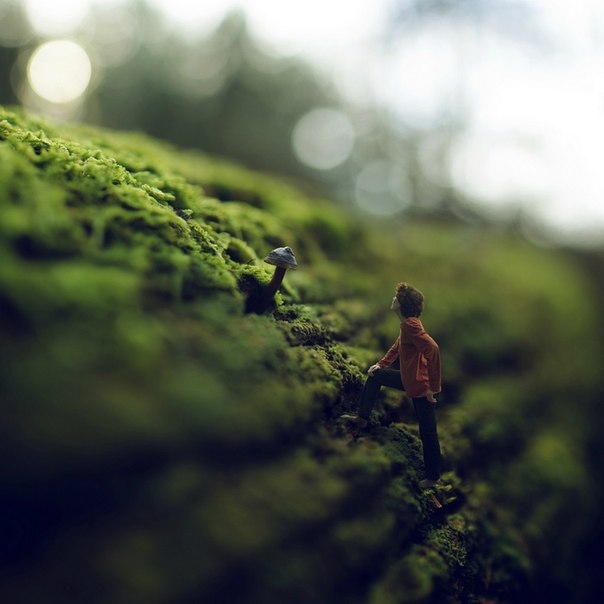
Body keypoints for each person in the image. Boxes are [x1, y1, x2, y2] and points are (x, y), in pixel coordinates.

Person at [342, 282, 442, 489]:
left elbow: (433, 349)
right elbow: (397, 348)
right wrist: (381, 364)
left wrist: (434, 387)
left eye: (396, 298)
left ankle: (433, 477)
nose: (393, 300)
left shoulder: (412, 326)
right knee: (376, 376)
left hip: (421, 387)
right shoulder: (407, 325)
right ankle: (362, 418)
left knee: (428, 432)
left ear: (402, 304)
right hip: (408, 379)